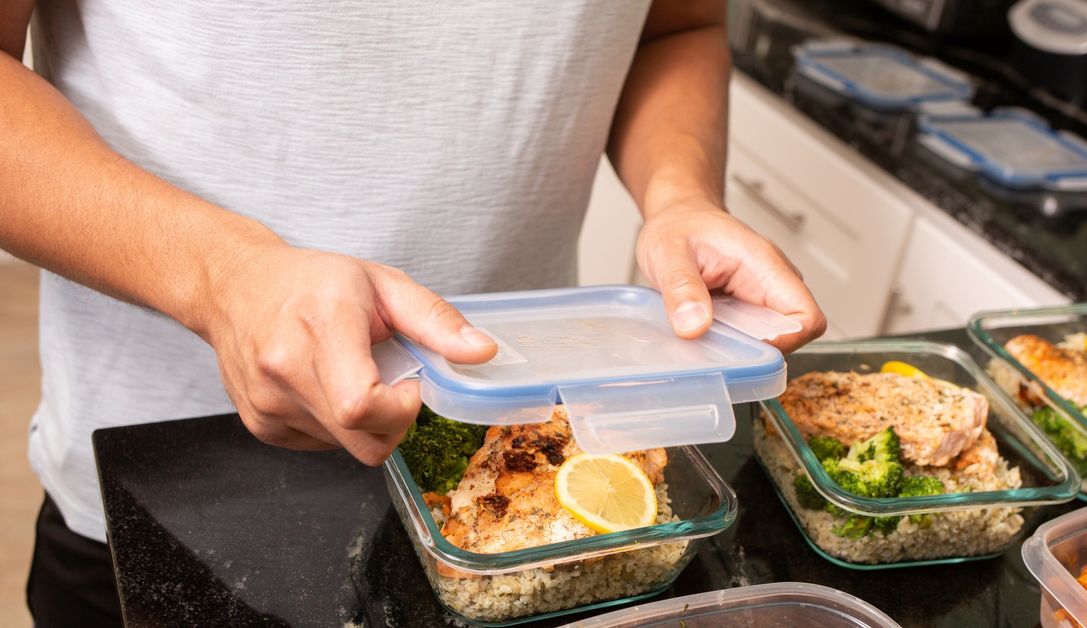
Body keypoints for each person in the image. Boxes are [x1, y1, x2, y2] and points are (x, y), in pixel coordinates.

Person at [0, 1, 826, 625]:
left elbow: (673, 25)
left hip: (535, 494)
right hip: (177, 477)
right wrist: (220, 277)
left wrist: (679, 195)